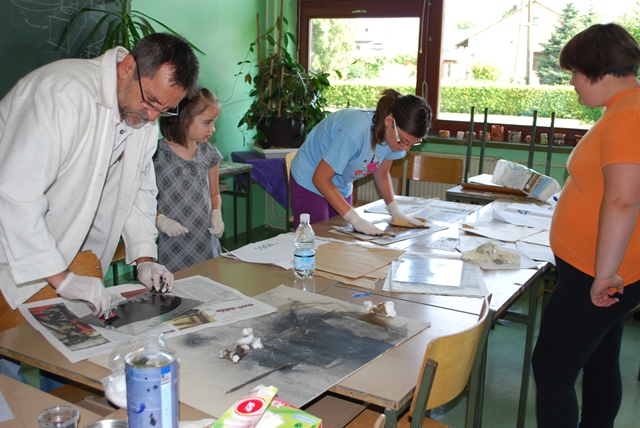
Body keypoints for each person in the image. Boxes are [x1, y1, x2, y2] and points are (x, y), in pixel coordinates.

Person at [0, 32, 200, 324]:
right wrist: (63, 279)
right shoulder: (61, 95)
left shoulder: (140, 116)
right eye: (151, 101)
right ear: (127, 67)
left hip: (65, 258)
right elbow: (16, 194)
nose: (153, 117)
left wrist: (145, 257)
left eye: (165, 110)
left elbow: (137, 190)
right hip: (13, 251)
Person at [532, 23, 640, 428]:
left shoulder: (629, 115)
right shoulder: (624, 109)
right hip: (603, 268)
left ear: (601, 70)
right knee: (598, 359)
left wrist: (604, 275)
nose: (573, 82)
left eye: (576, 72)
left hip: (598, 272)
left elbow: (623, 199)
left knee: (552, 370)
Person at [290, 88, 432, 234]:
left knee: (341, 240)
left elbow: (382, 173)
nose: (406, 149)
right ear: (389, 121)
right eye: (403, 141)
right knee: (316, 238)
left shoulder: (393, 137)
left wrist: (395, 210)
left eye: (412, 143)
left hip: (340, 184)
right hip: (310, 178)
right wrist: (355, 219)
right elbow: (320, 178)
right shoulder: (355, 130)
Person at [153, 87, 224, 272]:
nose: (213, 129)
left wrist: (217, 213)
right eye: (207, 122)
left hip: (204, 240)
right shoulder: (155, 155)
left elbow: (214, 193)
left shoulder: (210, 153)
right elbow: (143, 199)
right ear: (184, 120)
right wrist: (161, 219)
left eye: (214, 122)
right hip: (171, 244)